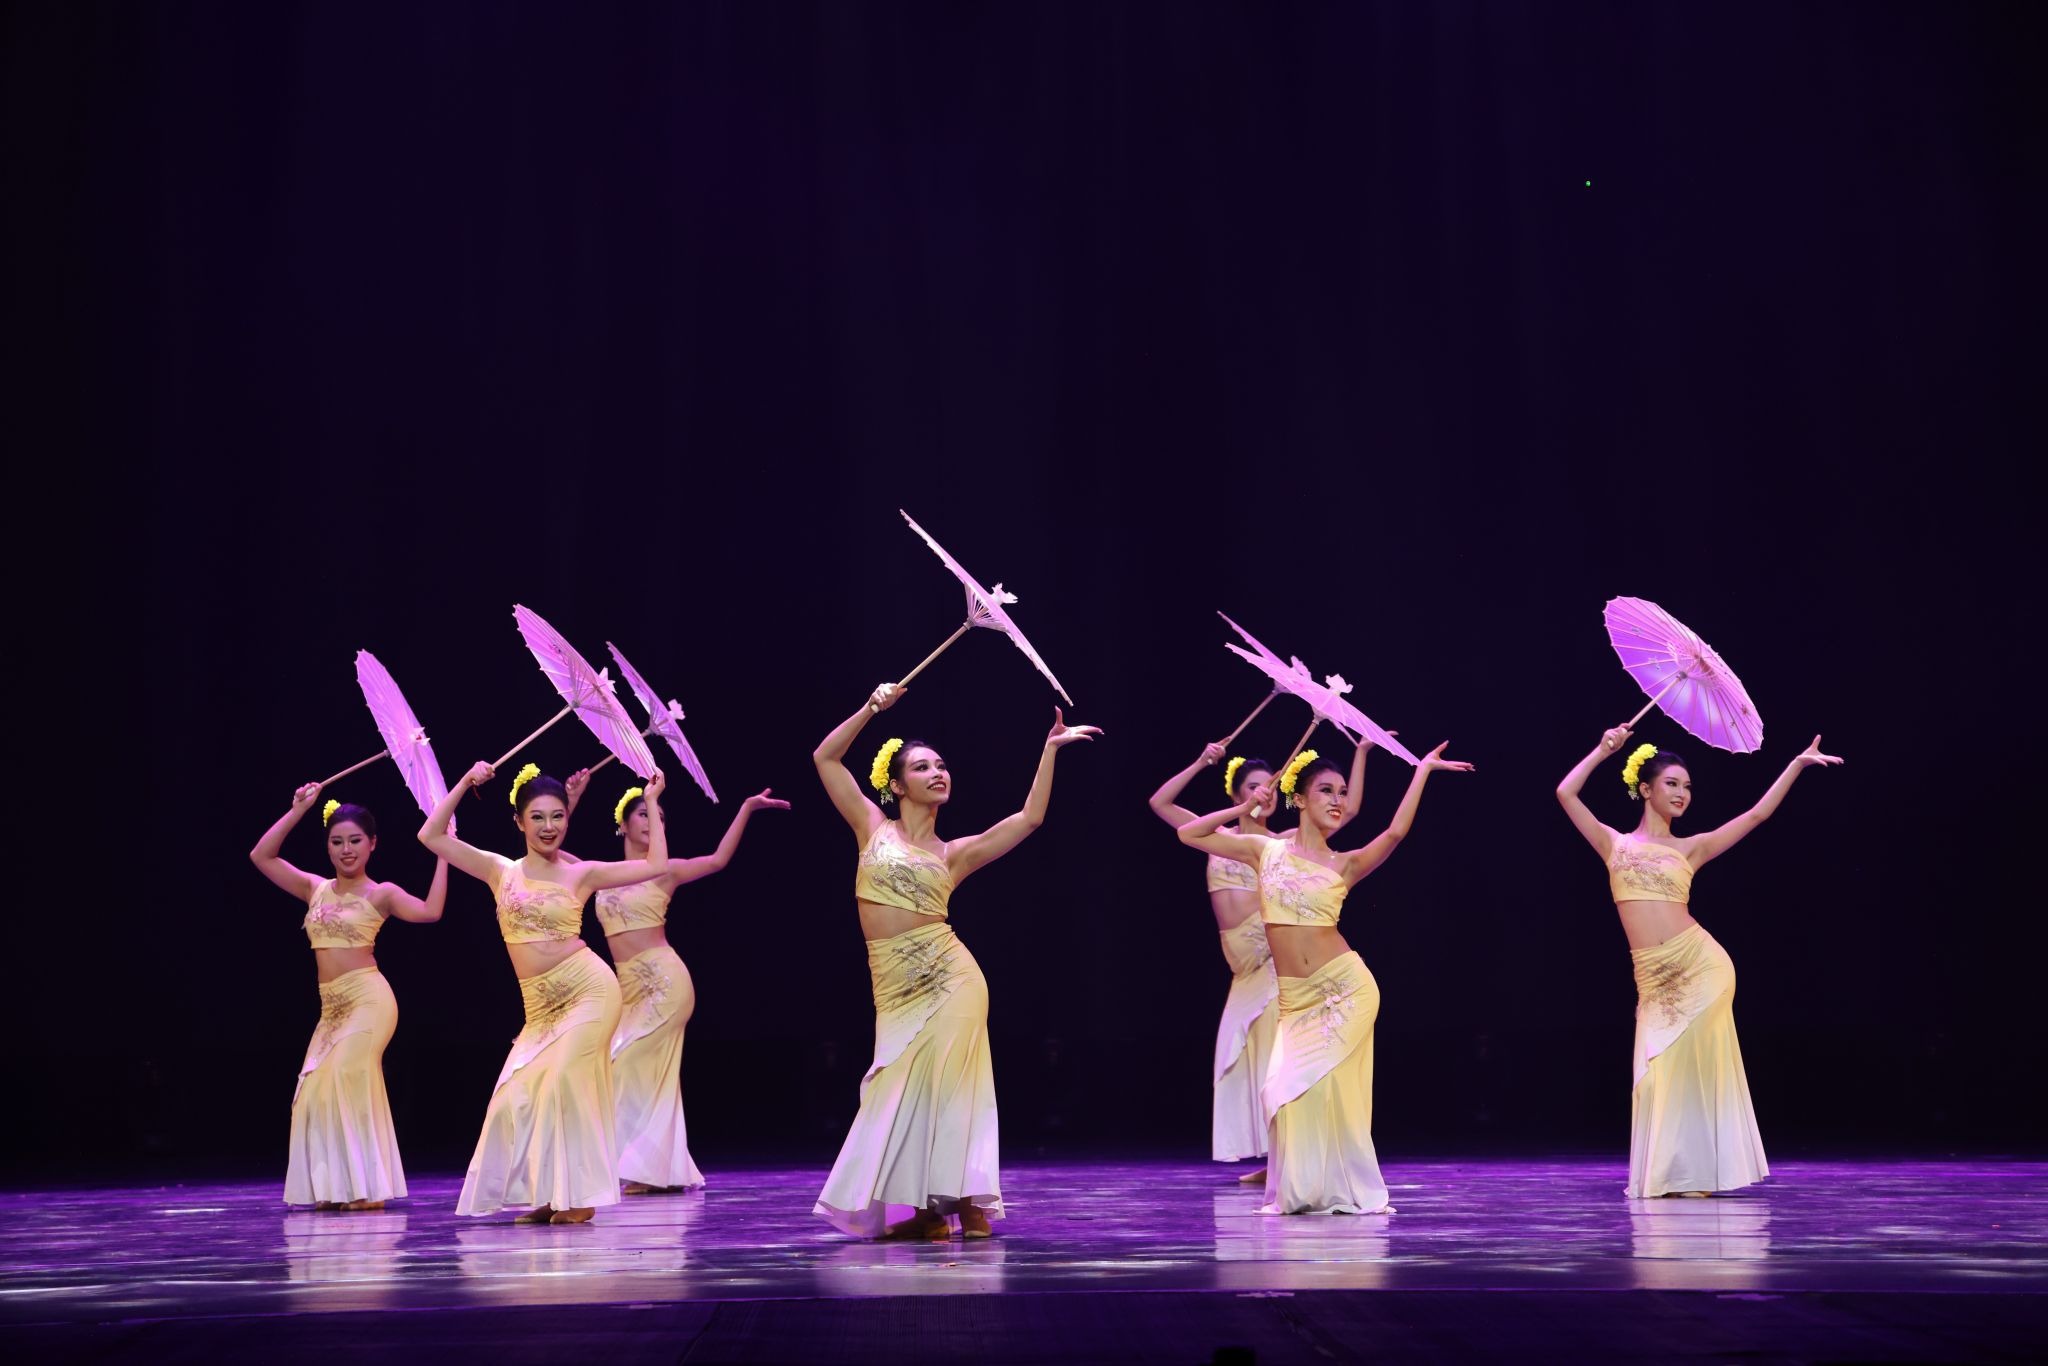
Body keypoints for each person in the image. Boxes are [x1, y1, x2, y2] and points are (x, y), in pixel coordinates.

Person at [811, 682, 1101, 1239]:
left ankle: (968, 1202)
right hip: (893, 984)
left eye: (941, 765)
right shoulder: (870, 826)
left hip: (951, 978)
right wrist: (872, 708)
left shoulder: (954, 853)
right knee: (901, 1089)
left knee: (955, 1089)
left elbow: (1029, 818)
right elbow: (825, 758)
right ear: (896, 785)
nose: (938, 772)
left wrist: (1050, 749)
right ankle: (925, 1208)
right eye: (922, 767)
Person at [1181, 740, 1472, 1214]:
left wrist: (1422, 771)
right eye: (1325, 791)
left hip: (1345, 991)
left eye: (1341, 792)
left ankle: (1334, 1187)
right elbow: (1189, 833)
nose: (1337, 800)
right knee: (1281, 1091)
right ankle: (1304, 1191)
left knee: (1324, 1092)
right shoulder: (1264, 850)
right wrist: (1243, 808)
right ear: (1298, 799)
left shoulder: (1345, 863)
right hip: (1295, 1000)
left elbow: (1396, 832)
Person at [1556, 725, 1842, 1197]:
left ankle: (1696, 1176)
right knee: (1658, 1077)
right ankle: (1675, 1174)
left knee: (1691, 1071)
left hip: (1702, 967)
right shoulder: (1613, 844)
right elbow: (1565, 793)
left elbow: (1756, 815)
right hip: (1653, 977)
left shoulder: (1691, 847)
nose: (1682, 793)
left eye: (1687, 786)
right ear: (1644, 789)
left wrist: (1796, 765)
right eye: (1671, 783)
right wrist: (1602, 750)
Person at [419, 760, 671, 1223]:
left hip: (589, 992)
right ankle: (549, 1193)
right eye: (537, 817)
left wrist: (651, 802)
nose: (548, 826)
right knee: (514, 1097)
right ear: (519, 822)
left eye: (557, 816)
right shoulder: (500, 871)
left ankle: (580, 1198)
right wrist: (466, 782)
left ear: (567, 820)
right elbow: (431, 835)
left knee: (565, 1083)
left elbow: (655, 864)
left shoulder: (581, 874)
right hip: (539, 1007)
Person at [1146, 739, 1368, 1181]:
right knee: (1244, 1059)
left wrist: (1361, 752)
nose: (1263, 793)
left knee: (1276, 1059)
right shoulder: (1226, 838)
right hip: (1241, 965)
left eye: (1269, 785)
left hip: (1270, 959)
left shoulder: (1280, 844)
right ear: (1236, 792)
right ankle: (1277, 1155)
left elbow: (1351, 810)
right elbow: (1160, 803)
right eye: (1253, 787)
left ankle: (1282, 1158)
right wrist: (1202, 762)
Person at [574, 778, 789, 1193]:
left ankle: (644, 1169)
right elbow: (553, 855)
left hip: (664, 984)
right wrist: (573, 798)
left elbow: (718, 860)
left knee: (626, 1066)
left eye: (658, 816)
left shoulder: (665, 871)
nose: (652, 821)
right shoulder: (600, 874)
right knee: (630, 1072)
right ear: (622, 824)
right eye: (643, 813)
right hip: (628, 992)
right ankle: (654, 1170)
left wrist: (746, 808)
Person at [250, 785, 447, 1209]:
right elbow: (261, 856)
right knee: (313, 1090)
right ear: (327, 846)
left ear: (372, 844)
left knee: (347, 1076)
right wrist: (298, 809)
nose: (346, 850)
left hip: (369, 1001)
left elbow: (430, 911)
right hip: (332, 1008)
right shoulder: (314, 888)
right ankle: (336, 1187)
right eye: (337, 842)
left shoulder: (382, 893)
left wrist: (444, 852)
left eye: (355, 840)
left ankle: (367, 1189)